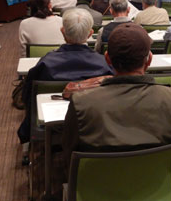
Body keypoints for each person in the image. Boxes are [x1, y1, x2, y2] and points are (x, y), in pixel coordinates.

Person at [62, 23, 171, 174]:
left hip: (97, 189)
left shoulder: (81, 102)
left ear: (107, 59)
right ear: (149, 60)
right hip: (158, 188)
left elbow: (69, 156)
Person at [17, 8, 114, 144]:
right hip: (94, 123)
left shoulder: (46, 63)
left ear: (63, 31)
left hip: (51, 123)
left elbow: (27, 96)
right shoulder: (105, 64)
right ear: (90, 33)